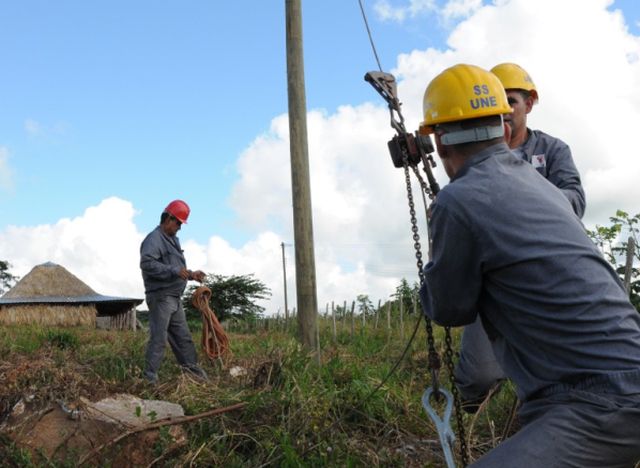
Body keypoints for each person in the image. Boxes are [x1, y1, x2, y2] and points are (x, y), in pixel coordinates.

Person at [418, 64, 640, 466]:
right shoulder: (545, 187)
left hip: (596, 402)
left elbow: (448, 309)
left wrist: (441, 239)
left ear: (440, 145)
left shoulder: (457, 202)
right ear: (504, 130)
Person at [454, 62, 587, 409]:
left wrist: (524, 192)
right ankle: (476, 426)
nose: (506, 111)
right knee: (476, 379)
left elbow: (575, 199)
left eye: (511, 101)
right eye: (498, 104)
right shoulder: (473, 159)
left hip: (550, 278)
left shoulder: (553, 150)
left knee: (565, 372)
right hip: (495, 280)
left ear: (529, 104)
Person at [140, 199, 208, 384]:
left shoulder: (172, 240)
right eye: (178, 222)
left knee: (183, 338)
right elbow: (147, 264)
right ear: (168, 218)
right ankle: (149, 380)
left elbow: (177, 269)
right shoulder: (154, 239)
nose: (179, 227)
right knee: (159, 338)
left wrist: (191, 274)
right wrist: (174, 271)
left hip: (174, 298)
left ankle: (195, 376)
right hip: (161, 297)